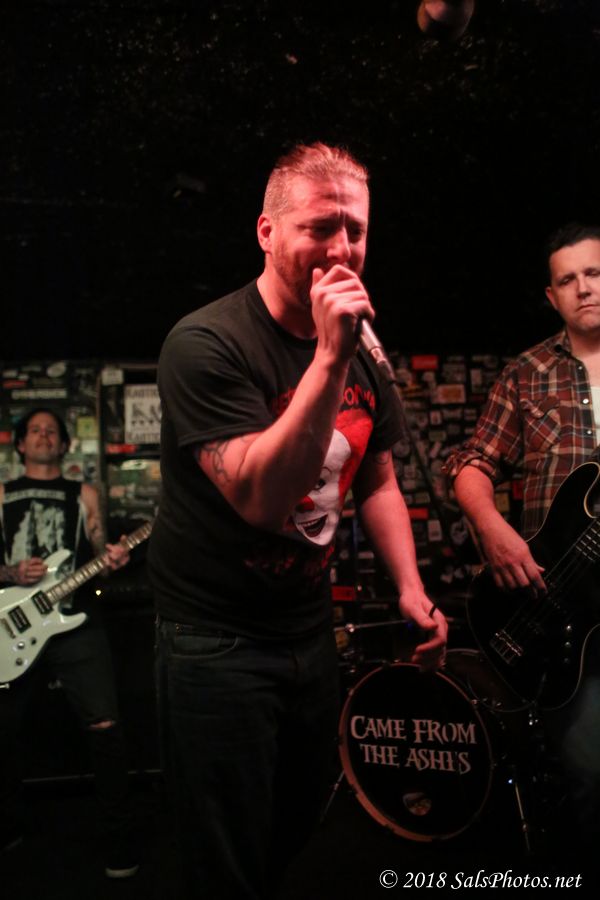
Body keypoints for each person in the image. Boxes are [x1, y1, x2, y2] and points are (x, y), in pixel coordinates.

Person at [149, 141, 448, 899]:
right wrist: (328, 359)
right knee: (227, 855)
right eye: (320, 227)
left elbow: (376, 477)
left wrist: (410, 588)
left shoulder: (360, 345)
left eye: (356, 230)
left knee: (300, 830)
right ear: (267, 231)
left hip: (307, 632)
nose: (342, 249)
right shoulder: (207, 343)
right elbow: (259, 499)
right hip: (216, 640)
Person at [445, 222, 600, 865]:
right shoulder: (528, 373)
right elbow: (471, 463)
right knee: (588, 774)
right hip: (565, 616)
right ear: (551, 295)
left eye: (594, 272)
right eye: (568, 279)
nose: (584, 287)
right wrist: (494, 530)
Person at [0, 407, 139, 878]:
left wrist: (113, 559)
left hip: (75, 621)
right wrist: (10, 572)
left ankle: (119, 840)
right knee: (4, 730)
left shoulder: (84, 494)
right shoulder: (1, 494)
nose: (43, 435)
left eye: (51, 431)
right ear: (20, 444)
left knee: (106, 726)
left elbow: (100, 555)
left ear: (64, 445)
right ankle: (7, 826)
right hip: (13, 624)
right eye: (34, 430)